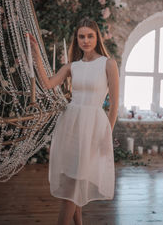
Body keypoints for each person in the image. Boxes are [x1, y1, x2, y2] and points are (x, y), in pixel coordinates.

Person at [30, 17, 119, 225]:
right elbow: (47, 83)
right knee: (73, 178)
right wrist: (35, 53)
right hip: (70, 125)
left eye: (90, 36)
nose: (86, 40)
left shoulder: (108, 64)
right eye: (81, 36)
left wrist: (106, 135)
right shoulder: (72, 66)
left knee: (73, 184)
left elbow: (114, 104)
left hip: (94, 127)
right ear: (76, 39)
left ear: (97, 37)